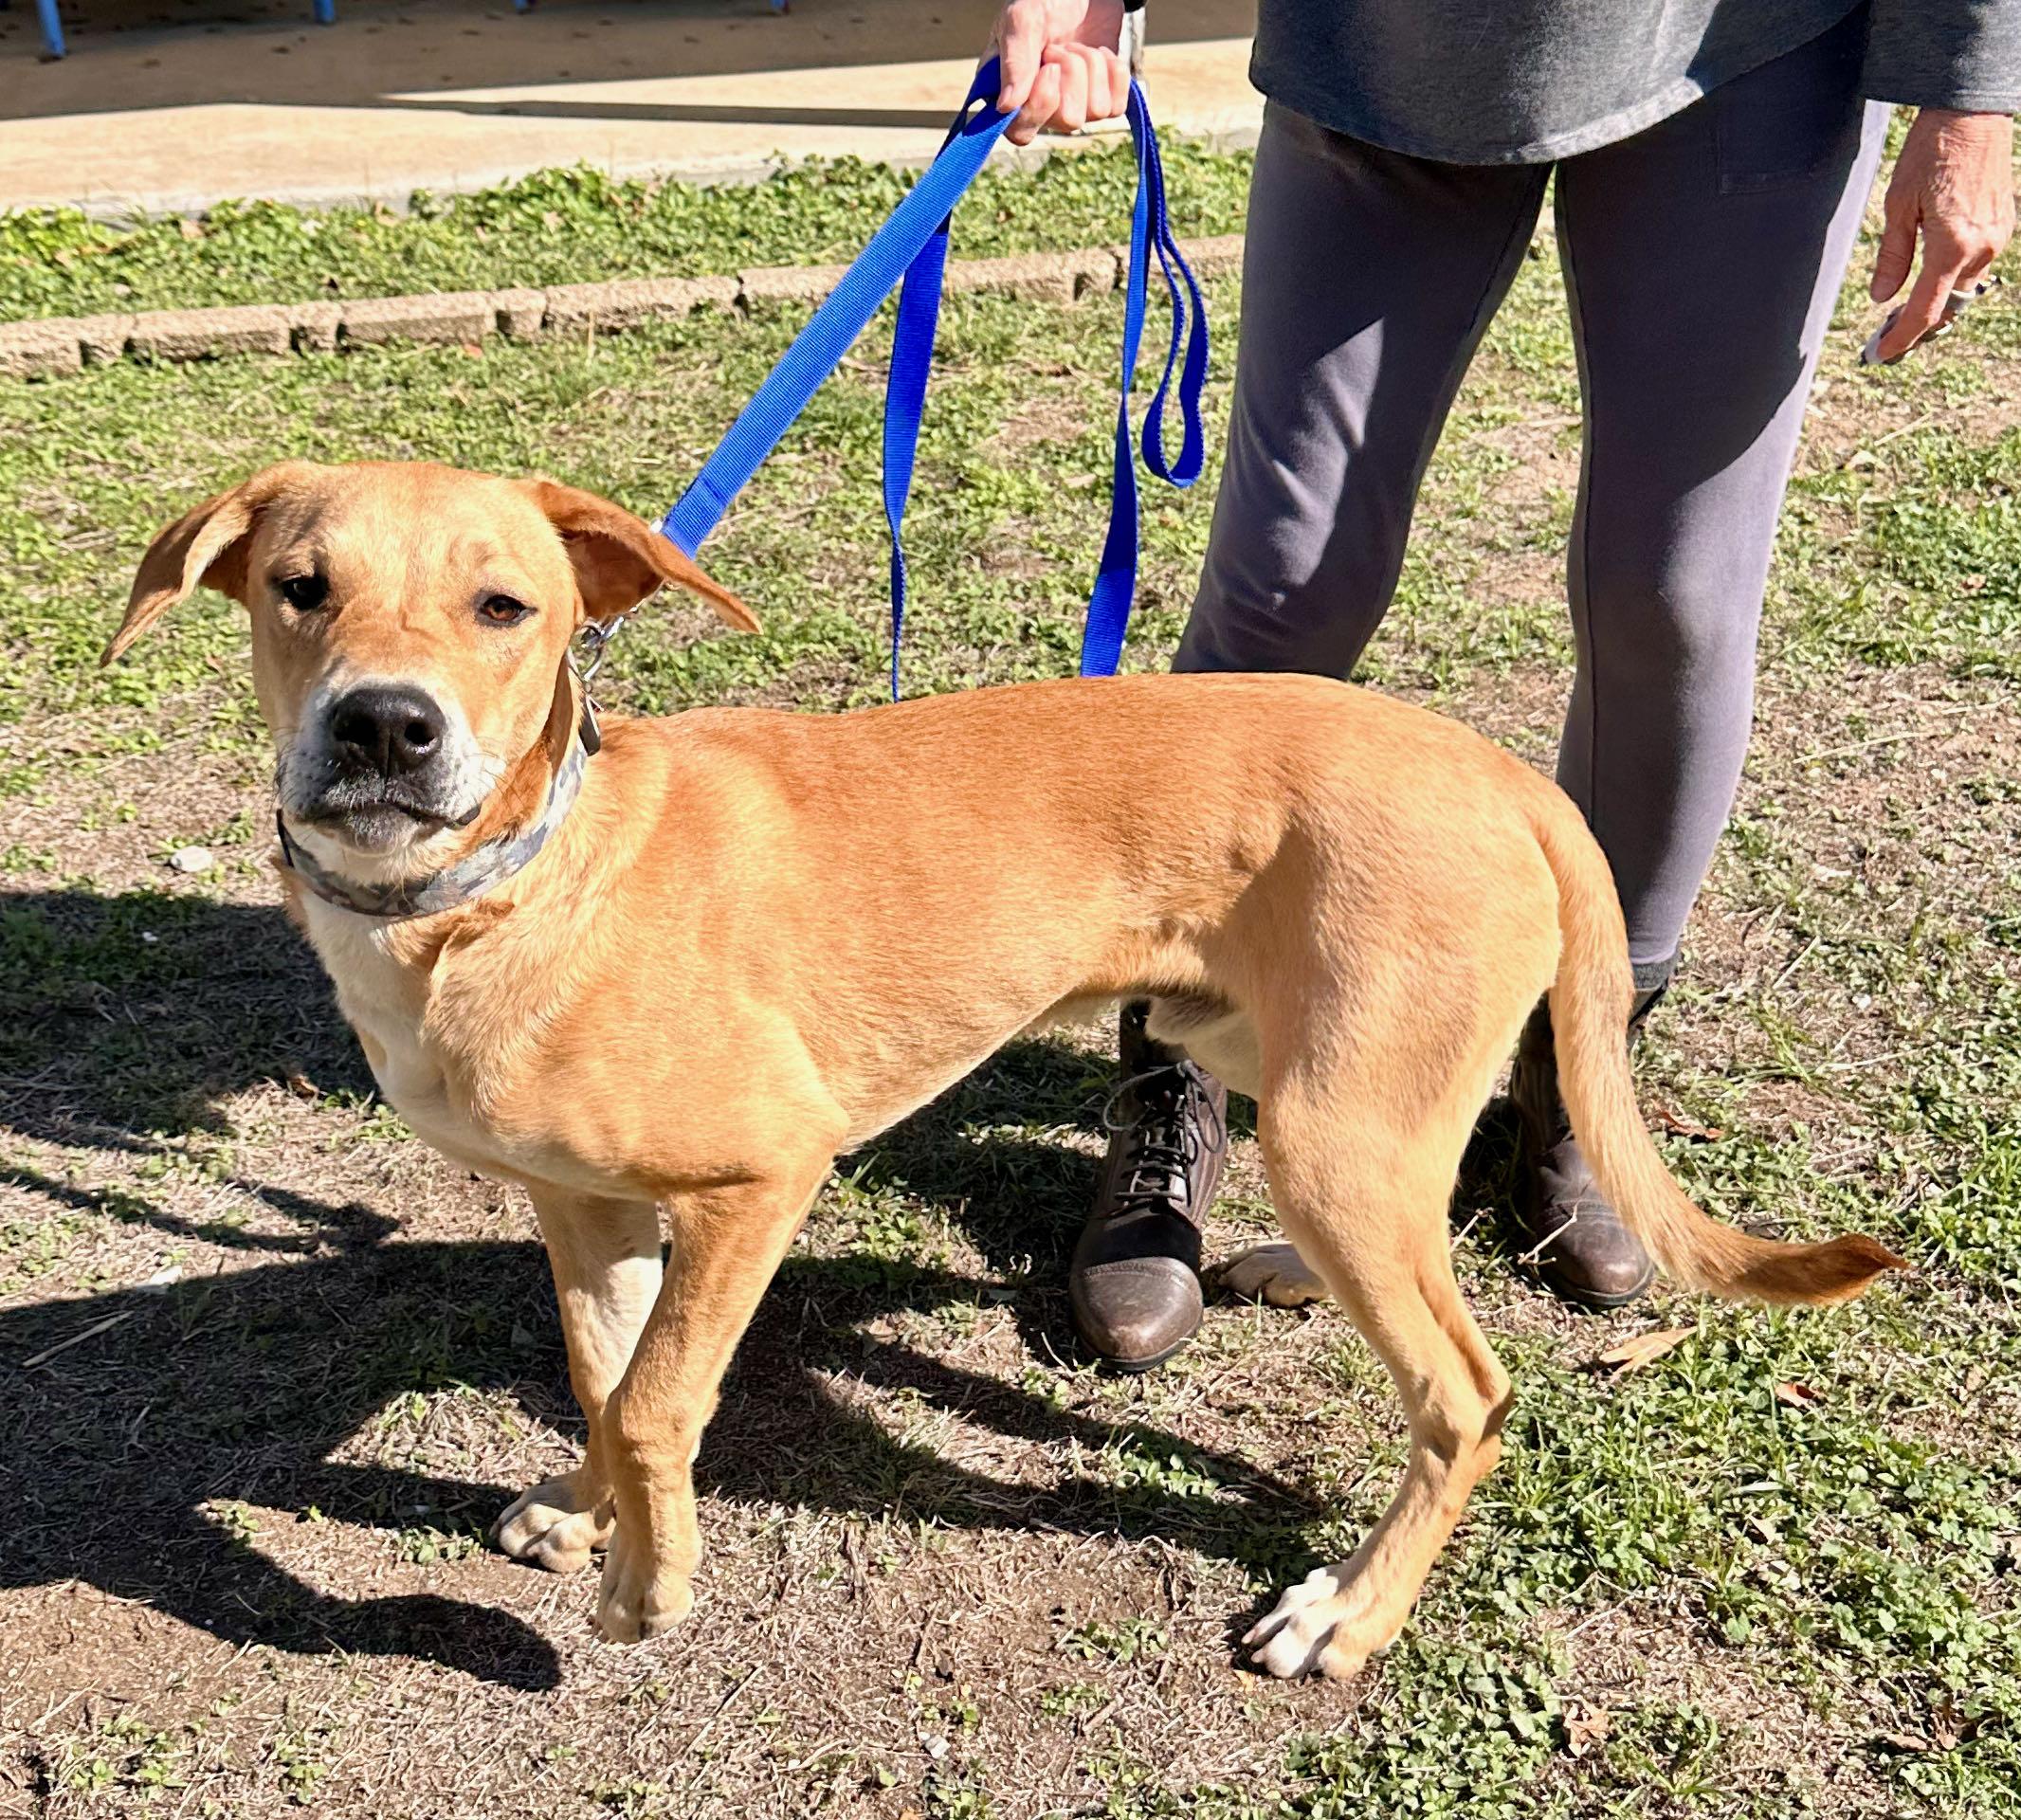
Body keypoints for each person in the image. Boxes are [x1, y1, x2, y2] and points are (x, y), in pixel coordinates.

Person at [988, 0, 2018, 1367]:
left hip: (1741, 49)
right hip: (1385, 54)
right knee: (1292, 578)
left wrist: (1973, 90)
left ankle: (1573, 1083)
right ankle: (1170, 1076)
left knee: (1674, 602)